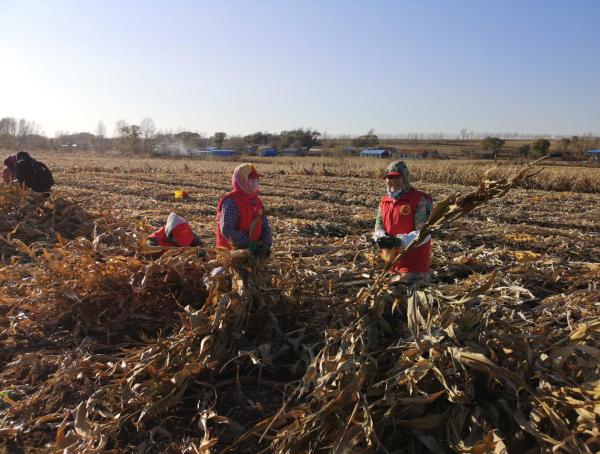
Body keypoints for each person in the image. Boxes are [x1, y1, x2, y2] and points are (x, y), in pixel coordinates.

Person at [373, 160, 433, 284]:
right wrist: (381, 237)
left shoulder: (419, 200)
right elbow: (379, 226)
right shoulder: (384, 201)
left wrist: (399, 242)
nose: (392, 181)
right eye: (389, 177)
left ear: (405, 178)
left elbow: (424, 233)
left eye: (397, 177)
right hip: (392, 266)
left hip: (414, 268)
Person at [216, 163, 272, 257]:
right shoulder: (231, 202)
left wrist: (266, 244)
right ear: (241, 181)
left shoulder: (257, 201)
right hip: (232, 255)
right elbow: (227, 230)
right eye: (251, 180)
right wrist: (250, 245)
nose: (255, 183)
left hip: (254, 252)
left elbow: (265, 225)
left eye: (256, 180)